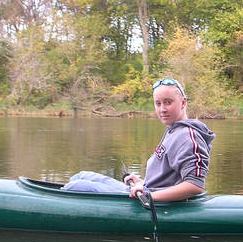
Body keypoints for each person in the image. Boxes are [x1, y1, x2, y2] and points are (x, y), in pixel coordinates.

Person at [63, 78, 215, 202]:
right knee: (81, 176)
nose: (162, 109)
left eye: (168, 102)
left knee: (76, 186)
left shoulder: (188, 136)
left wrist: (151, 196)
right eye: (158, 103)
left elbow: (195, 185)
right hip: (145, 190)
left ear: (183, 103)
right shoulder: (173, 130)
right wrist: (142, 182)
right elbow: (168, 178)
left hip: (150, 199)